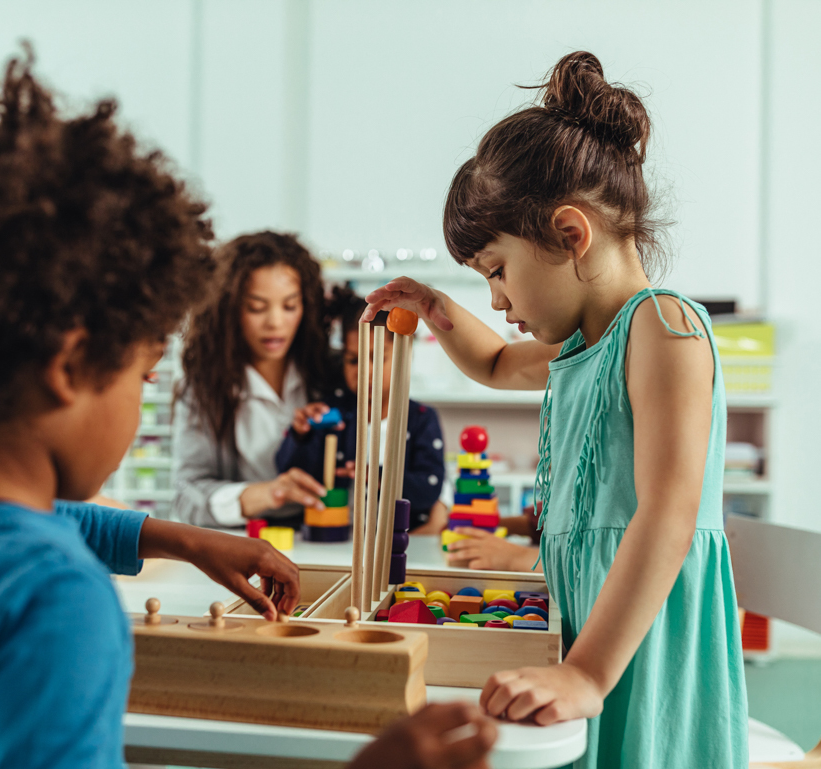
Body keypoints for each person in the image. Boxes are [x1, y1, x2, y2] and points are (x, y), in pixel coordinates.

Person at [0, 50, 497, 769]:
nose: (141, 401)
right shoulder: (55, 603)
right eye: (142, 373)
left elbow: (23, 521)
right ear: (70, 368)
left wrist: (185, 540)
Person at [364, 52, 747, 768]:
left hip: (641, 630)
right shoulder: (584, 345)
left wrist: (588, 671)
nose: (499, 301)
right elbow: (493, 362)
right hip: (591, 616)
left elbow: (667, 511)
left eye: (498, 272)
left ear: (572, 235)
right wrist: (435, 308)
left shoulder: (663, 329)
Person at [173, 231, 334, 528]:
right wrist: (267, 494)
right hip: (246, 546)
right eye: (257, 307)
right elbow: (187, 495)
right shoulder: (203, 389)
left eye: (289, 306)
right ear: (229, 309)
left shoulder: (332, 375)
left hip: (330, 540)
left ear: (306, 306)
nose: (275, 322)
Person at [275, 290, 447, 533]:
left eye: (377, 358)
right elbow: (289, 472)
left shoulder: (421, 419)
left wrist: (377, 477)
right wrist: (300, 435)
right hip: (337, 538)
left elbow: (428, 489)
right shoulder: (331, 412)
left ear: (405, 356)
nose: (364, 370)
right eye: (353, 360)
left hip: (404, 541)